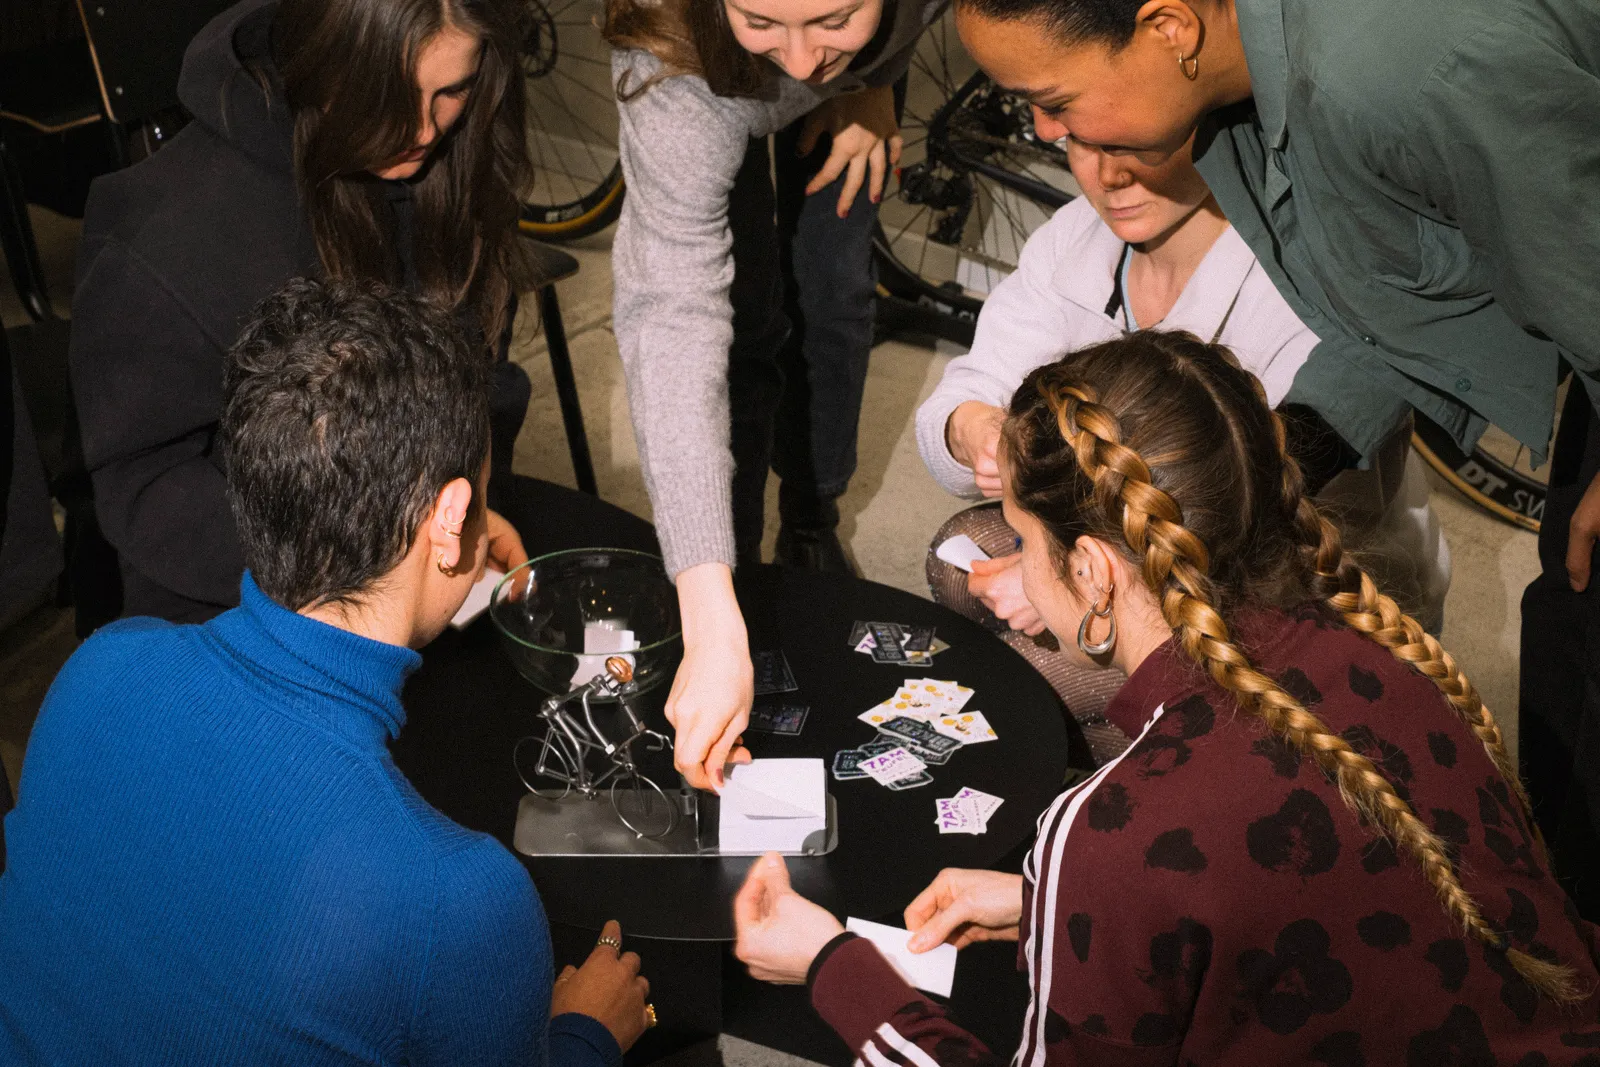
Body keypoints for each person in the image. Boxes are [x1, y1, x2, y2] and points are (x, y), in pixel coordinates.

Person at [733, 331, 1600, 1064]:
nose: (1017, 558)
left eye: (1025, 539)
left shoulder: (1117, 830)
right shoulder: (1391, 662)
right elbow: (1310, 894)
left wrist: (831, 963)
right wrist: (1044, 902)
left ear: (1093, 574)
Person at [941, 0, 1600, 913]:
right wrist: (1256, 471)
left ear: (1169, 28)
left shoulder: (1404, 74)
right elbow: (1394, 318)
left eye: (1054, 99)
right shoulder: (1252, 107)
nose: (1047, 133)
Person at [0, 279, 654, 1064]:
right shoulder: (459, 900)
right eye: (481, 496)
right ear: (448, 523)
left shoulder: (95, 670)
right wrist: (583, 1033)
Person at [917, 132, 1450, 764]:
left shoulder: (1314, 278)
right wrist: (975, 428)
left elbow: (1232, 538)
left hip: (1276, 583)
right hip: (1119, 556)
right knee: (960, 561)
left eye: (1136, 144)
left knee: (1037, 675)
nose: (1107, 177)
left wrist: (1056, 582)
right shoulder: (1075, 236)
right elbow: (963, 398)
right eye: (1076, 140)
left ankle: (1140, 799)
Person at [69, 0, 532, 624]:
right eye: (386, 99)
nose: (423, 131)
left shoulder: (459, 157)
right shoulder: (165, 238)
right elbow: (146, 487)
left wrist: (467, 511)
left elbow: (482, 367)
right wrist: (365, 569)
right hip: (244, 614)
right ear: (319, 63)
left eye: (452, 91)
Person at [603, 0, 946, 790]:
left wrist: (875, 79)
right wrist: (706, 596)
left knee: (833, 293)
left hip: (859, 99)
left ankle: (812, 517)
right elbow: (672, 315)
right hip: (706, 88)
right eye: (760, 19)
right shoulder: (666, 60)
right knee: (741, 328)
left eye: (833, 19)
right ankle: (741, 565)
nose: (797, 60)